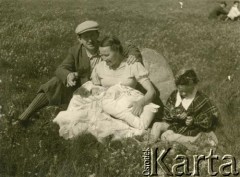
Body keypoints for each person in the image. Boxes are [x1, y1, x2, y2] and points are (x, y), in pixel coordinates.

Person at [18, 21, 142, 123]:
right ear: (79, 39)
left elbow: (129, 47)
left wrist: (133, 55)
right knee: (55, 82)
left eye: (93, 35)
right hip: (83, 90)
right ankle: (24, 117)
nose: (90, 40)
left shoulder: (104, 47)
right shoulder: (75, 51)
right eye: (85, 37)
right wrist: (68, 75)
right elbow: (61, 68)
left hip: (106, 89)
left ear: (97, 35)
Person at [53, 36, 157, 141]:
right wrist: (94, 92)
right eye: (101, 55)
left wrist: (141, 103)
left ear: (117, 50)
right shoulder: (100, 67)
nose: (104, 58)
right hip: (105, 103)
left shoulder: (132, 65)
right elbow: (95, 88)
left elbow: (152, 91)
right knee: (79, 115)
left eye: (107, 55)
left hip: (123, 105)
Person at [150, 68, 218, 151]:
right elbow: (167, 113)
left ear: (193, 86)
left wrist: (193, 120)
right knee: (156, 125)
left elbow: (213, 117)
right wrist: (175, 115)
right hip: (175, 125)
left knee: (166, 137)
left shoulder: (200, 99)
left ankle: (194, 140)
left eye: (186, 91)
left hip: (190, 130)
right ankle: (149, 146)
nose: (183, 94)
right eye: (181, 91)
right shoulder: (175, 95)